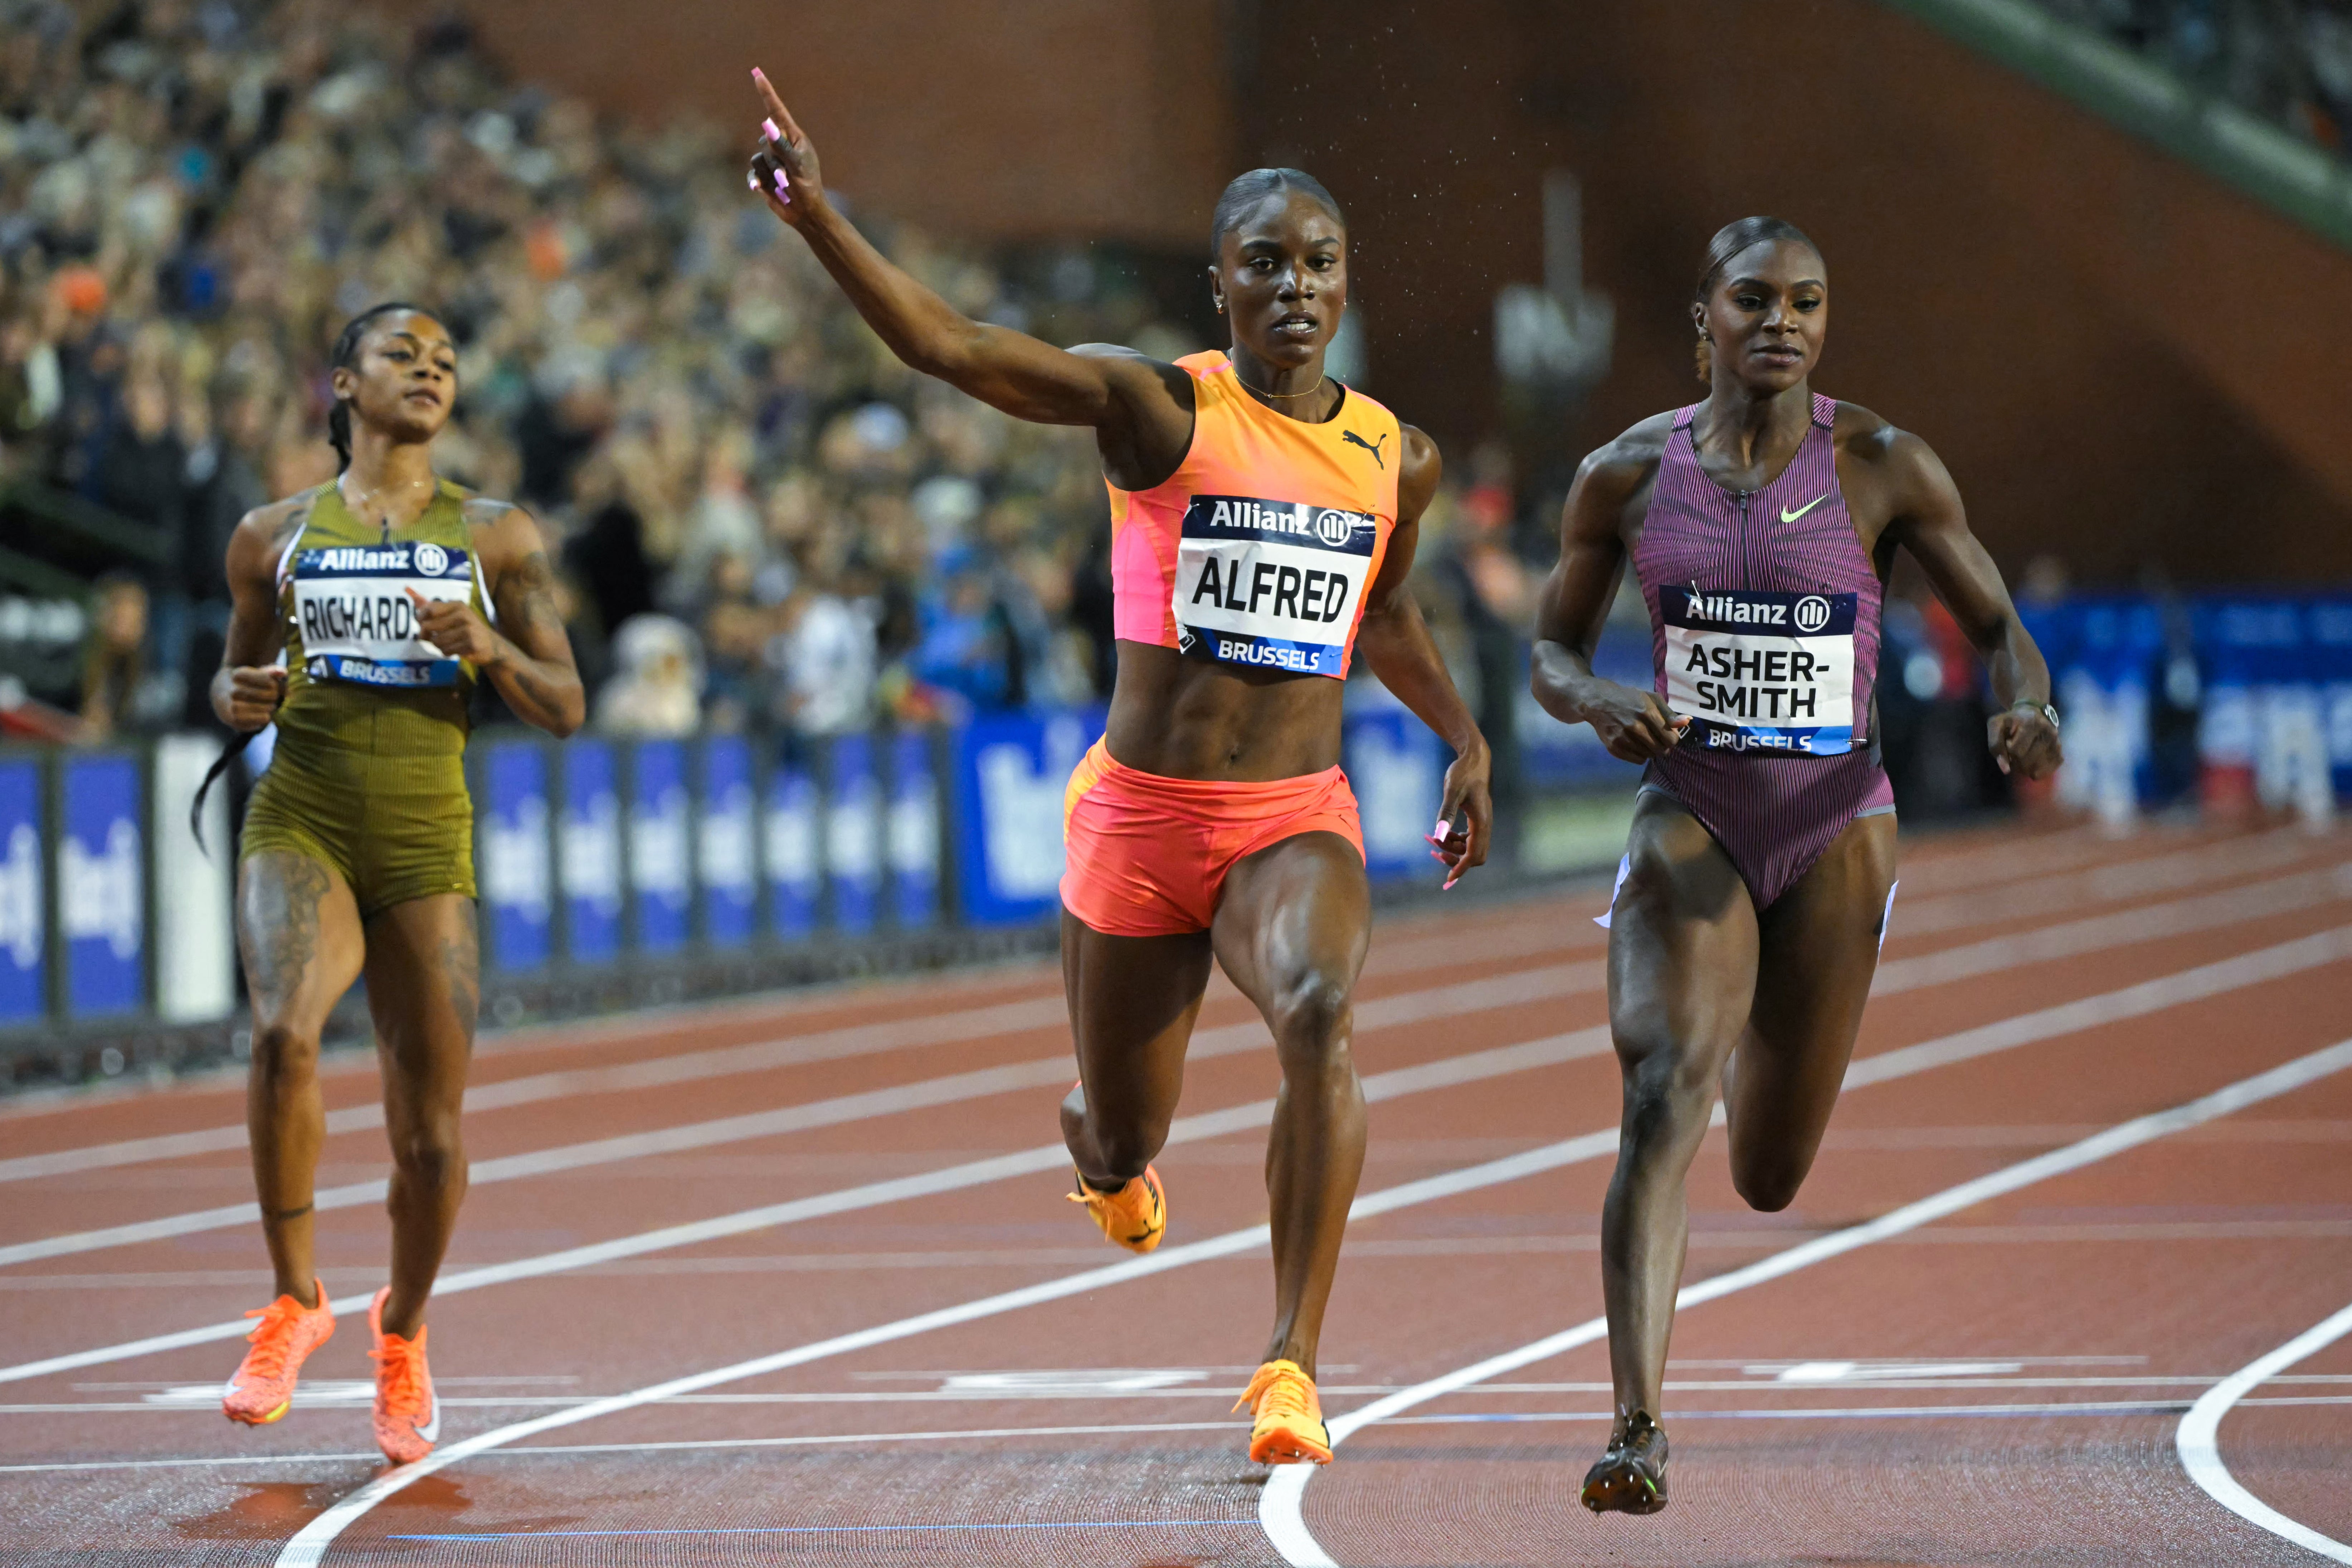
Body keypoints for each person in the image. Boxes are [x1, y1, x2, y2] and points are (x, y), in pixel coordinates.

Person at [746, 70, 1493, 1465]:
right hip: (1143, 827)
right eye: (1262, 263)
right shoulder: (1160, 413)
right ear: (1220, 288)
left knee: (1321, 1010)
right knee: (1118, 1127)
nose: (1294, 286)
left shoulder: (1400, 457)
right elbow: (958, 349)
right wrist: (819, 220)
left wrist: (1466, 737)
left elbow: (1384, 610)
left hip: (1290, 821)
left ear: (1346, 285)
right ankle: (1104, 1158)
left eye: (1319, 264)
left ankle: (1291, 1365)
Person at [1529, 217, 2062, 1513]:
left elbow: (2002, 630)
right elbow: (1548, 654)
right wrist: (1600, 697)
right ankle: (1637, 1428)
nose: (1784, 322)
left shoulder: (1882, 463)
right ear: (1702, 318)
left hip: (1834, 824)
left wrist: (2026, 703)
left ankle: (1759, 1066)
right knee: (1663, 1092)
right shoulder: (1625, 475)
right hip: (1690, 812)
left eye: (1809, 303)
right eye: (1756, 299)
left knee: (1768, 1175)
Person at [207, 304, 584, 1465]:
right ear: (342, 386)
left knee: (429, 1137)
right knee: (283, 1038)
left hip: (426, 840)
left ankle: (402, 1330)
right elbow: (236, 673)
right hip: (304, 814)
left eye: (446, 363)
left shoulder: (496, 535)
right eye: (401, 357)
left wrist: (490, 647)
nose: (429, 373)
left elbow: (566, 705)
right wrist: (235, 697)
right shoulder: (271, 533)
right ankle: (293, 1300)